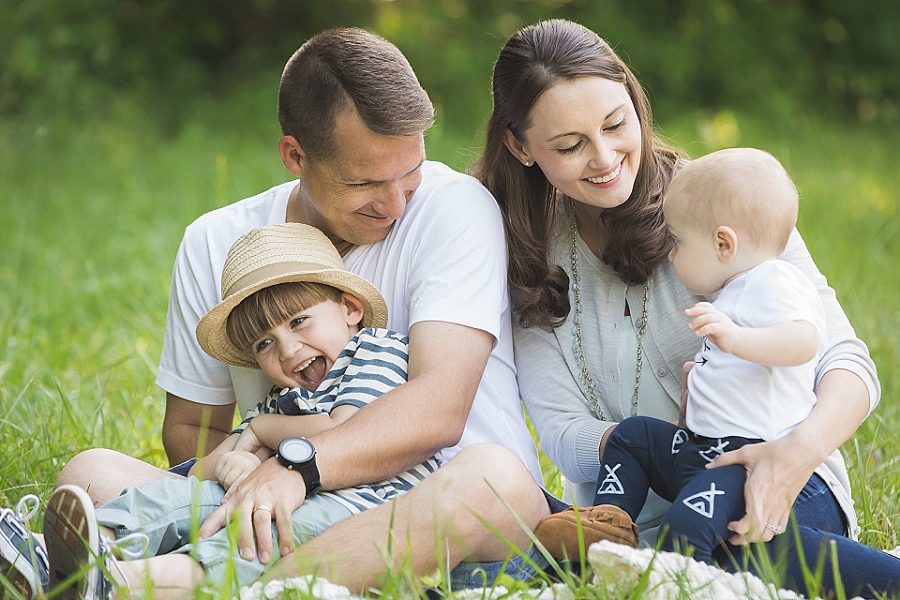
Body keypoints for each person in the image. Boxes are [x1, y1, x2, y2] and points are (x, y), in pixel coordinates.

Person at [47, 27, 553, 593]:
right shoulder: (216, 243)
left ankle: (165, 584)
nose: (395, 203)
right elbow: (195, 427)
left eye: (409, 171)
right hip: (277, 510)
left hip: (446, 519)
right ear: (295, 155)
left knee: (491, 478)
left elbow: (437, 409)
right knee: (89, 475)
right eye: (365, 182)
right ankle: (127, 572)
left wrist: (295, 467)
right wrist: (247, 474)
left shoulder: (453, 207)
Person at [473, 18, 898, 598]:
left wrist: (793, 454)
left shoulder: (724, 201)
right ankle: (641, 557)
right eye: (570, 145)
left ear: (632, 99)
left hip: (780, 484)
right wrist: (673, 446)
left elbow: (845, 361)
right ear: (520, 146)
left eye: (616, 124)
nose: (604, 157)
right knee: (676, 562)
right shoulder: (525, 253)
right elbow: (561, 430)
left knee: (747, 556)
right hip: (647, 508)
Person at [41, 223, 443, 599]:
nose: (287, 350)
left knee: (247, 538)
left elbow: (346, 429)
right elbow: (204, 467)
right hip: (278, 497)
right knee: (189, 497)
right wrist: (230, 465)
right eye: (264, 345)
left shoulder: (374, 350)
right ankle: (75, 549)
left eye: (299, 321)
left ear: (350, 309)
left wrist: (264, 430)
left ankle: (120, 584)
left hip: (359, 510)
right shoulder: (282, 399)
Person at [568, 147, 830, 563]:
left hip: (744, 461)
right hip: (702, 449)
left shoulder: (774, 279)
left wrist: (734, 340)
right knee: (633, 435)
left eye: (677, 241)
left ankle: (678, 581)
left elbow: (803, 343)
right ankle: (609, 523)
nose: (671, 255)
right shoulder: (732, 293)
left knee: (686, 526)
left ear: (724, 243)